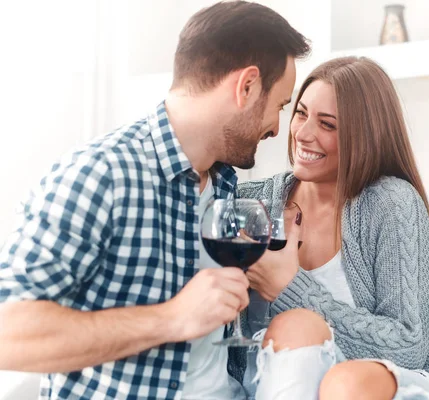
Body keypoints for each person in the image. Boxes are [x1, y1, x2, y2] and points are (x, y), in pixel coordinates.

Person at [0, 2, 310, 399]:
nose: (277, 127)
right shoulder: (101, 175)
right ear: (246, 86)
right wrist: (171, 319)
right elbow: (9, 331)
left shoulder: (226, 185)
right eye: (281, 105)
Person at [235, 57, 429, 400]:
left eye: (328, 125)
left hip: (392, 384)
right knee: (296, 328)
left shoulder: (391, 203)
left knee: (343, 383)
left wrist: (287, 286)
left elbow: (409, 347)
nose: (303, 134)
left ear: (364, 136)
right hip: (284, 385)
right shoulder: (251, 202)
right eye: (301, 113)